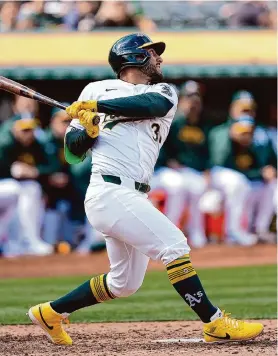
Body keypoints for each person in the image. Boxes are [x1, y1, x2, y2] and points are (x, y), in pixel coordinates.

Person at [27, 33, 263, 345]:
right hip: (108, 191)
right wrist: (88, 131)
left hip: (134, 194)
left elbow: (151, 105)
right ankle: (214, 322)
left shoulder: (163, 91)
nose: (158, 59)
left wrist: (98, 108)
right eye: (152, 53)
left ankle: (51, 312)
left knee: (124, 283)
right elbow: (73, 150)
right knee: (174, 245)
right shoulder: (94, 89)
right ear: (133, 57)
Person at [151, 81, 211, 248]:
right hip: (158, 171)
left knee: (196, 187)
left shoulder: (201, 124)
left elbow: (205, 153)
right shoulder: (173, 122)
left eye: (196, 98)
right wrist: (171, 162)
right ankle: (168, 233)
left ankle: (196, 233)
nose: (193, 102)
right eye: (189, 98)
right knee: (178, 185)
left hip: (182, 171)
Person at [210, 115, 276, 241]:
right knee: (238, 183)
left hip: (246, 181)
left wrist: (266, 171)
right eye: (242, 132)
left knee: (269, 186)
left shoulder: (254, 147)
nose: (245, 136)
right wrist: (260, 173)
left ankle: (260, 229)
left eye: (248, 132)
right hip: (220, 177)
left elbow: (256, 169)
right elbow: (229, 167)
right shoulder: (227, 144)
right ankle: (233, 231)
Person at [0, 114, 53, 256]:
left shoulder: (37, 145)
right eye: (24, 130)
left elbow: (52, 167)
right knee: (15, 189)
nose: (28, 134)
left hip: (16, 189)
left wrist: (34, 171)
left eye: (31, 130)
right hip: (4, 185)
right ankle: (27, 242)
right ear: (14, 130)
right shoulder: (5, 144)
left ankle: (21, 243)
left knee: (30, 189)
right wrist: (12, 171)